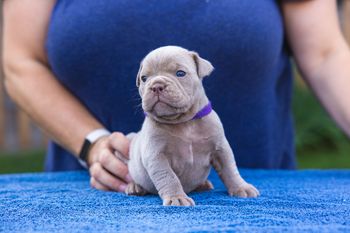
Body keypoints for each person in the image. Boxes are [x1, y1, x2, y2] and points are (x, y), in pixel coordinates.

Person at [3, 0, 350, 193]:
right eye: (146, 80)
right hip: (100, 192)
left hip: (262, 196)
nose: (156, 85)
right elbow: (21, 61)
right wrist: (92, 143)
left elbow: (324, 54)